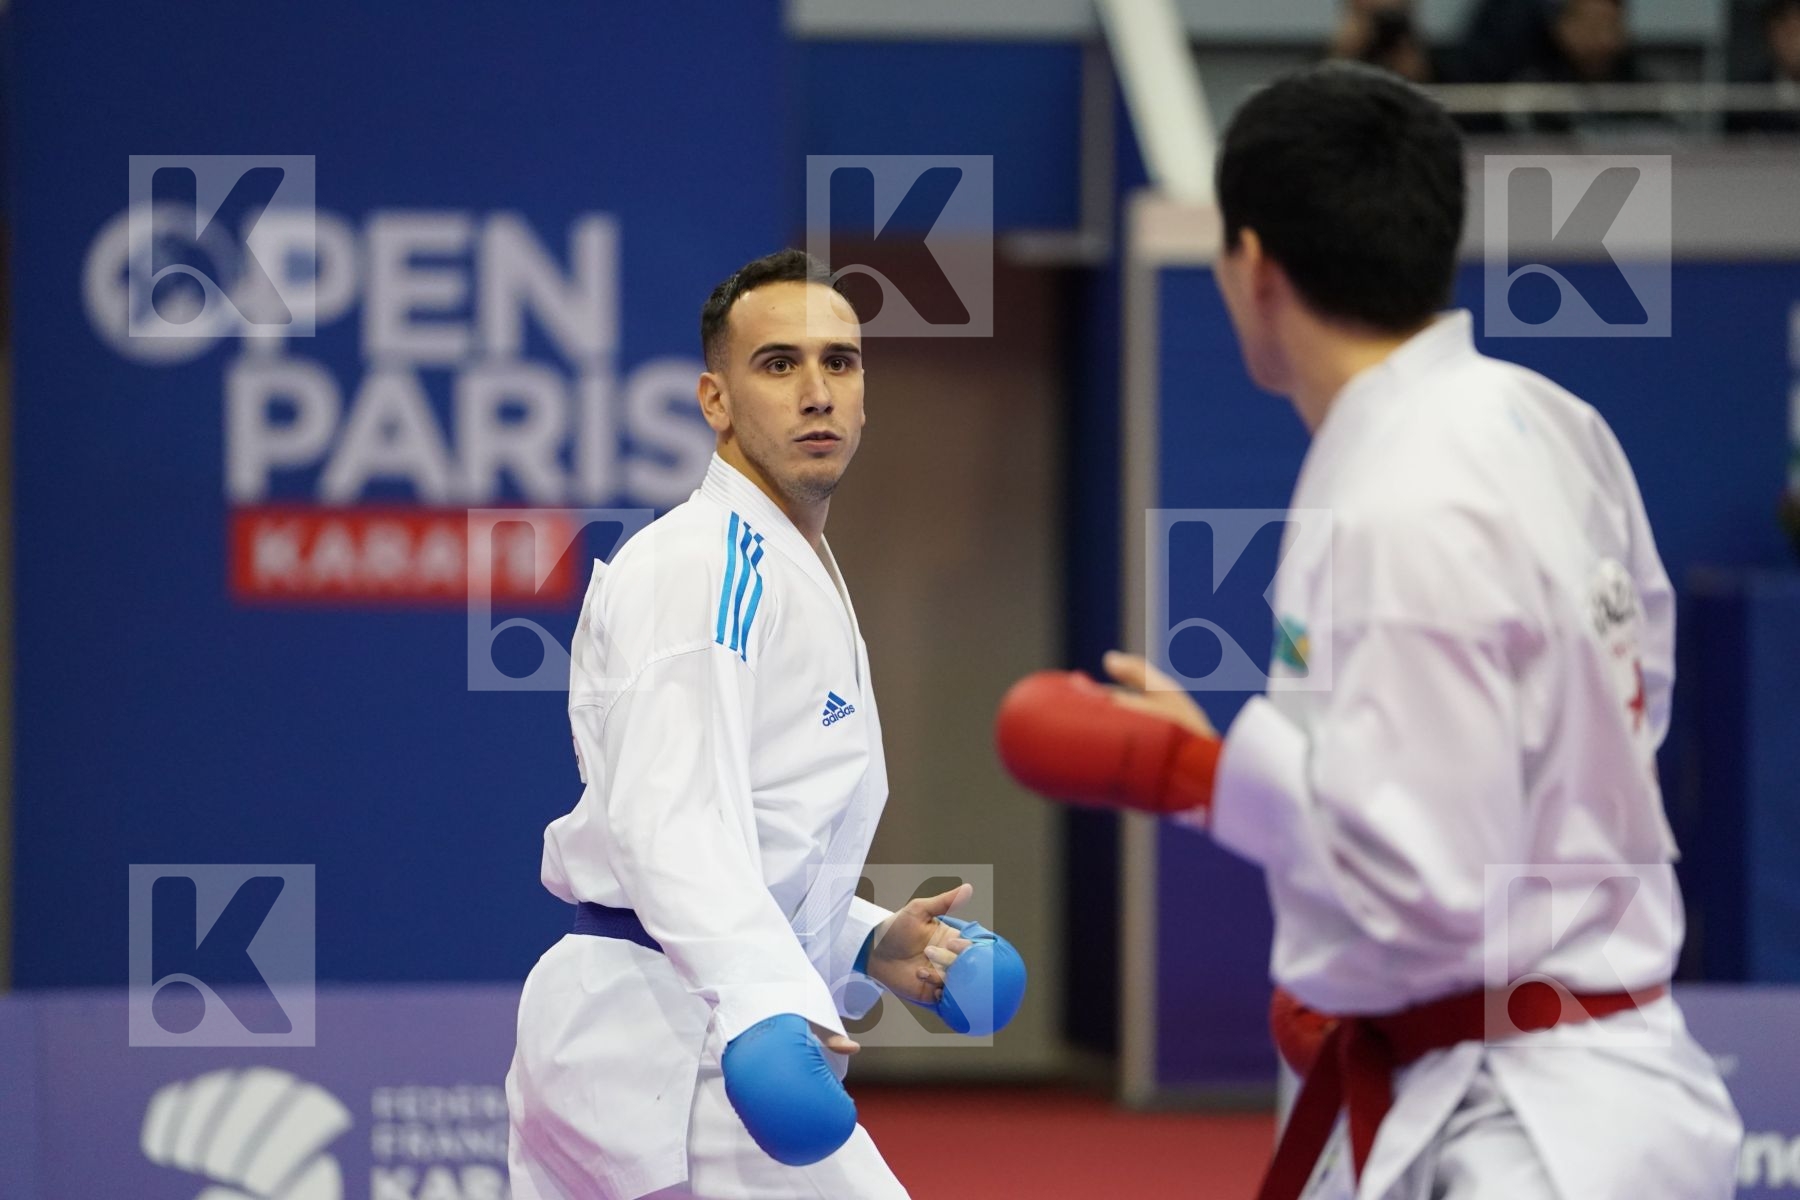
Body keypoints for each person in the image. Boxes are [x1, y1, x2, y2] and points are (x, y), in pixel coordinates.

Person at [997, 65, 1740, 1199]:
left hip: (1526, 1130)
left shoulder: (1399, 501)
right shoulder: (1547, 421)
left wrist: (1198, 773)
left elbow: (1427, 883)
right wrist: (1218, 775)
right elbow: (1614, 706)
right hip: (1579, 1075)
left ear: (1253, 266)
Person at [506, 249, 1025, 1200]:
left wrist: (863, 938)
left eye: (841, 362)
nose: (817, 392)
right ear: (715, 400)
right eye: (779, 365)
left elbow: (760, 828)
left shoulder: (789, 561)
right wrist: (760, 1002)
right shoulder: (709, 565)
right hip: (672, 1043)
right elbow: (672, 825)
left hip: (661, 1020)